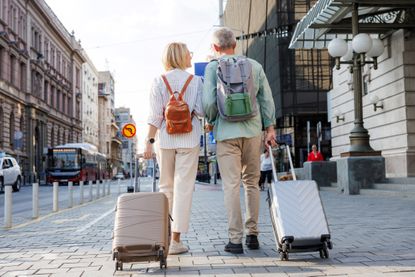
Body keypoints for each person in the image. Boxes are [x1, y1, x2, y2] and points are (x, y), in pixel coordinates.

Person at [202, 27, 276, 254]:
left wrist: (212, 120)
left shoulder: (213, 67)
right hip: (253, 131)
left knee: (231, 186)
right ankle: (252, 235)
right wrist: (270, 127)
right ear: (235, 44)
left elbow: (209, 102)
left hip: (226, 134)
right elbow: (266, 99)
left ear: (215, 48)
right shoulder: (255, 66)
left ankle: (235, 240)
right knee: (251, 183)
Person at [144, 42, 203, 255]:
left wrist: (148, 142)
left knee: (166, 187)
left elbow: (155, 116)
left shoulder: (158, 81)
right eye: (189, 54)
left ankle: (165, 238)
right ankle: (176, 241)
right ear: (181, 57)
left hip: (165, 141)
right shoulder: (196, 81)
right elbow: (202, 111)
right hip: (190, 140)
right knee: (184, 189)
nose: (191, 57)